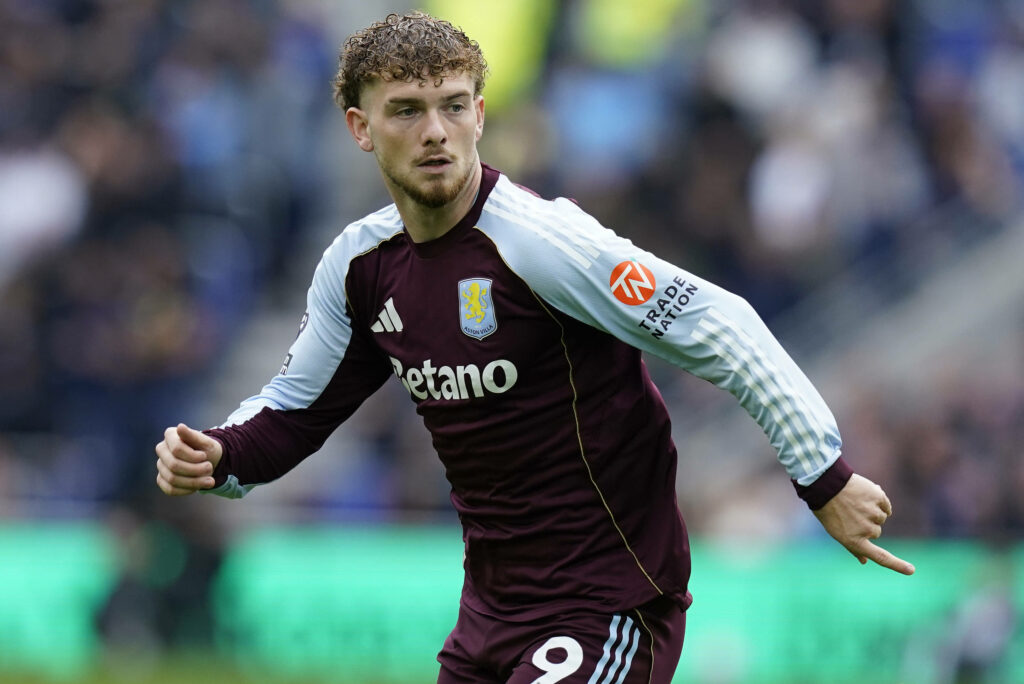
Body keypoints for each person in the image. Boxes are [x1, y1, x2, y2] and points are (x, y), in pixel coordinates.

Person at [155, 11, 914, 683]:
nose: (434, 132)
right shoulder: (359, 267)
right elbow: (295, 412)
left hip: (609, 602)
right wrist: (217, 459)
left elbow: (721, 324)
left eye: (453, 107)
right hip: (490, 618)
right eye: (408, 111)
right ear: (360, 128)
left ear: (480, 115)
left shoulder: (543, 243)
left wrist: (823, 476)